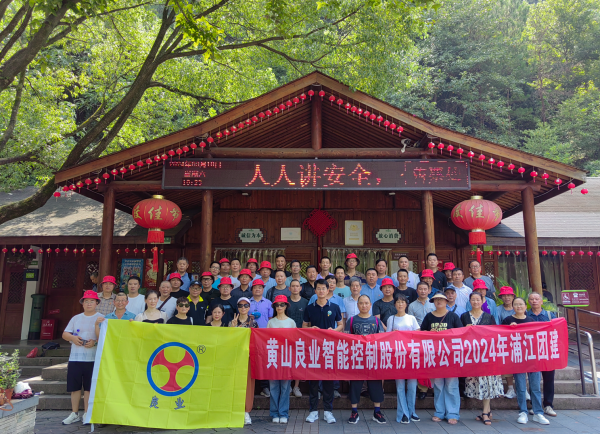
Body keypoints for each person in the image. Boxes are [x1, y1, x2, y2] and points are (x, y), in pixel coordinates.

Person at [503, 297, 550, 425]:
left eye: (521, 304)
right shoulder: (507, 320)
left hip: (532, 357)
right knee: (521, 387)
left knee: (535, 387)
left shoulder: (531, 320)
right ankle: (523, 412)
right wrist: (509, 329)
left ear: (525, 307)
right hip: (517, 357)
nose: (518, 306)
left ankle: (538, 413)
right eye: (516, 304)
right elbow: (502, 338)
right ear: (512, 307)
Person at [303, 279, 343, 424]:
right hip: (314, 348)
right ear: (315, 291)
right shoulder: (309, 308)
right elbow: (304, 326)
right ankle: (313, 411)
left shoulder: (335, 307)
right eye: (318, 288)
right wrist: (310, 329)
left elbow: (341, 324)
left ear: (328, 290)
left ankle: (328, 411)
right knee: (313, 381)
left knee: (328, 381)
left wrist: (334, 330)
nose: (321, 291)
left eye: (323, 288)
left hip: (329, 348)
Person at [461, 292, 503, 425]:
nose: (475, 302)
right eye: (473, 300)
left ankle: (485, 412)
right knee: (477, 383)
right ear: (469, 302)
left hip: (486, 355)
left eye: (478, 299)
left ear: (482, 301)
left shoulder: (489, 317)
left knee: (487, 382)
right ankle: (488, 411)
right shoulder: (464, 316)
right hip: (471, 356)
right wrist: (464, 329)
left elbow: (495, 335)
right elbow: (458, 335)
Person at [420, 292, 463, 424]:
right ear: (433, 302)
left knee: (451, 385)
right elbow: (421, 333)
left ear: (446, 302)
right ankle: (439, 412)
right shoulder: (429, 316)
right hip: (435, 357)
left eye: (441, 299)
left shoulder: (453, 316)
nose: (439, 301)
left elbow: (461, 334)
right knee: (438, 385)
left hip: (451, 357)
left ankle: (453, 413)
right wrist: (428, 333)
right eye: (436, 300)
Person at [61, 290, 103, 425]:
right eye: (86, 301)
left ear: (97, 303)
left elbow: (105, 337)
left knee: (89, 388)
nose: (89, 303)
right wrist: (73, 338)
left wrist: (95, 342)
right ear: (82, 303)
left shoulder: (101, 318)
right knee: (75, 387)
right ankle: (74, 413)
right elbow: (65, 334)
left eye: (92, 301)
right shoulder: (76, 318)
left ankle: (86, 413)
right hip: (75, 357)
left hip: (93, 358)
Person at [345, 294, 387, 425]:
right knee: (355, 384)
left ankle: (377, 412)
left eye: (366, 303)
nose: (364, 305)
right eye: (361, 303)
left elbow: (382, 339)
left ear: (370, 305)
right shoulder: (351, 320)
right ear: (357, 305)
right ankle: (354, 411)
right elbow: (346, 339)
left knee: (375, 384)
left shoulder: (376, 321)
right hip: (357, 357)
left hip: (373, 357)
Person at [386, 293, 420, 424]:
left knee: (412, 385)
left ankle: (412, 412)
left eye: (402, 302)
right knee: (400, 386)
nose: (400, 304)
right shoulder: (391, 319)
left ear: (406, 304)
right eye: (398, 302)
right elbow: (387, 337)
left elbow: (418, 334)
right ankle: (403, 413)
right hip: (398, 356)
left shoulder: (411, 318)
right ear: (394, 304)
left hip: (411, 355)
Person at [266, 295, 296, 423]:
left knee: (285, 387)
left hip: (286, 358)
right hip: (273, 357)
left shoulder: (291, 322)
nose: (279, 307)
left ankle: (283, 413)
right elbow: (266, 339)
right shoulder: (271, 322)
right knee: (273, 386)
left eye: (282, 305)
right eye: (277, 305)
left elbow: (295, 341)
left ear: (286, 306)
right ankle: (274, 413)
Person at [527, 292, 557, 418]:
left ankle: (548, 405)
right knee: (533, 380)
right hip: (532, 352)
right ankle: (535, 405)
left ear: (541, 301)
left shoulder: (550, 315)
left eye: (536, 299)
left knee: (549, 378)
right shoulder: (526, 315)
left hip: (547, 352)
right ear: (529, 302)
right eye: (532, 299)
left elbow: (557, 331)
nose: (534, 301)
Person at [229, 296, 258, 426]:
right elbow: (228, 340)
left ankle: (246, 411)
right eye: (240, 305)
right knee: (234, 383)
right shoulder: (232, 322)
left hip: (248, 357)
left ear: (249, 307)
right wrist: (232, 328)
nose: (243, 308)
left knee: (248, 385)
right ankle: (235, 410)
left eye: (246, 305)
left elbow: (256, 340)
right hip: (235, 357)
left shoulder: (253, 323)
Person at [249, 278, 274, 398]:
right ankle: (251, 387)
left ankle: (265, 387)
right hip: (250, 335)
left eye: (260, 287)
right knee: (251, 360)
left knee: (264, 360)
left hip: (264, 336)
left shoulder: (268, 303)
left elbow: (270, 319)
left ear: (263, 289)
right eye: (255, 287)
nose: (258, 289)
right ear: (252, 289)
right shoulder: (247, 302)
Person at [285, 280, 306, 398]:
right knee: (287, 361)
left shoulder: (305, 302)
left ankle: (296, 386)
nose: (295, 288)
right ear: (289, 288)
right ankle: (288, 385)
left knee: (298, 361)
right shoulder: (285, 302)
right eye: (292, 286)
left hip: (301, 336)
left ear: (300, 288)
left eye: (297, 286)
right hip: (286, 336)